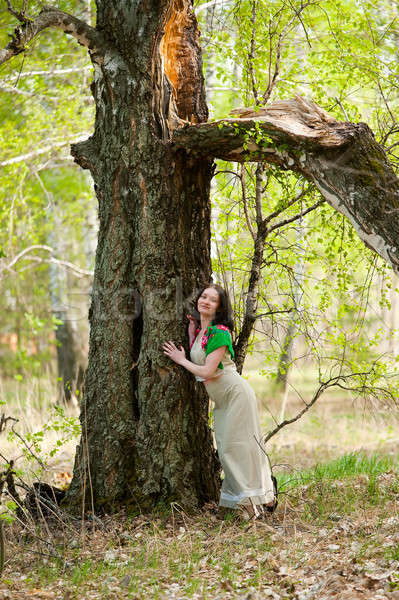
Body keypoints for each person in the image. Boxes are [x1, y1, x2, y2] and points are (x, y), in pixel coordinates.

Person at [162, 283, 277, 519]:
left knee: (236, 450)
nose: (205, 301)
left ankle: (253, 503)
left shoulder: (220, 332)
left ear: (219, 308)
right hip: (223, 401)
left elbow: (206, 371)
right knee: (228, 450)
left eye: (212, 300)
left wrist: (180, 359)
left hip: (236, 396)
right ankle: (251, 501)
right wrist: (193, 332)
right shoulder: (204, 332)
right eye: (203, 296)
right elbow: (200, 352)